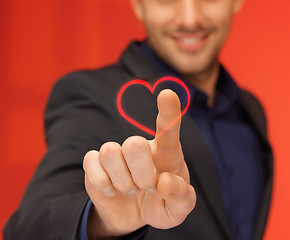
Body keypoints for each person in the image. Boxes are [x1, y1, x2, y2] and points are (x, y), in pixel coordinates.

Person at [4, 0, 273, 239]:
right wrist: (104, 221)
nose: (190, 18)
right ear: (137, 4)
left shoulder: (250, 110)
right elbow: (25, 230)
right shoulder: (90, 95)